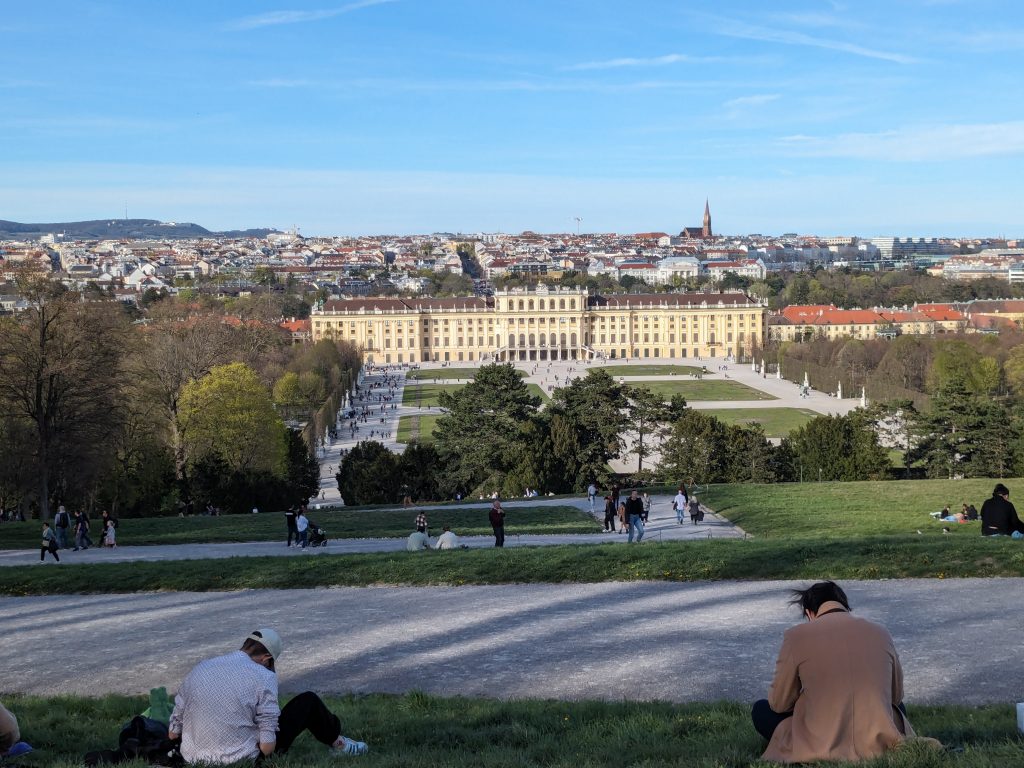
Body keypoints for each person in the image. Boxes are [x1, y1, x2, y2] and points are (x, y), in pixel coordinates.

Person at [752, 581, 917, 764]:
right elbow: (896, 697)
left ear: (809, 613)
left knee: (761, 710)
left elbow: (779, 703)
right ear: (846, 607)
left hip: (820, 741)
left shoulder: (796, 636)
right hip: (876, 736)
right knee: (897, 709)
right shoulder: (881, 632)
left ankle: (815, 749)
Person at [168, 628, 367, 764]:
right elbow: (267, 747)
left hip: (191, 757)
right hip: (241, 760)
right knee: (308, 701)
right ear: (267, 659)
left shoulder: (202, 667)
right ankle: (338, 743)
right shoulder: (263, 675)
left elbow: (173, 732)